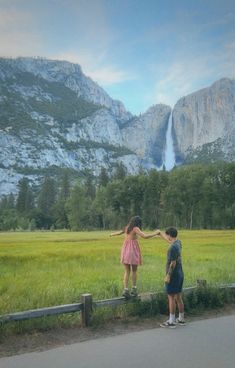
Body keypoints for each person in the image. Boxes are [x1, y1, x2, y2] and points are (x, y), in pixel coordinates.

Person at [110, 216, 160, 298]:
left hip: (125, 250)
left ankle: (126, 290)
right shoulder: (135, 228)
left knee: (127, 271)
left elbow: (119, 232)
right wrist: (156, 233)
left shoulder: (127, 228)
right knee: (134, 271)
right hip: (132, 251)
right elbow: (145, 236)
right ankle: (134, 289)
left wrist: (111, 234)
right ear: (138, 223)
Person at [159, 227, 185, 328]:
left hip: (173, 275)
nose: (167, 237)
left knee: (171, 297)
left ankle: (171, 321)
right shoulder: (178, 243)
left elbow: (172, 263)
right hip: (180, 273)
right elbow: (171, 242)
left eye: (167, 235)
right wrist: (160, 234)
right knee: (178, 297)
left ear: (169, 235)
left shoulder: (171, 248)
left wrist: (168, 275)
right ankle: (181, 319)